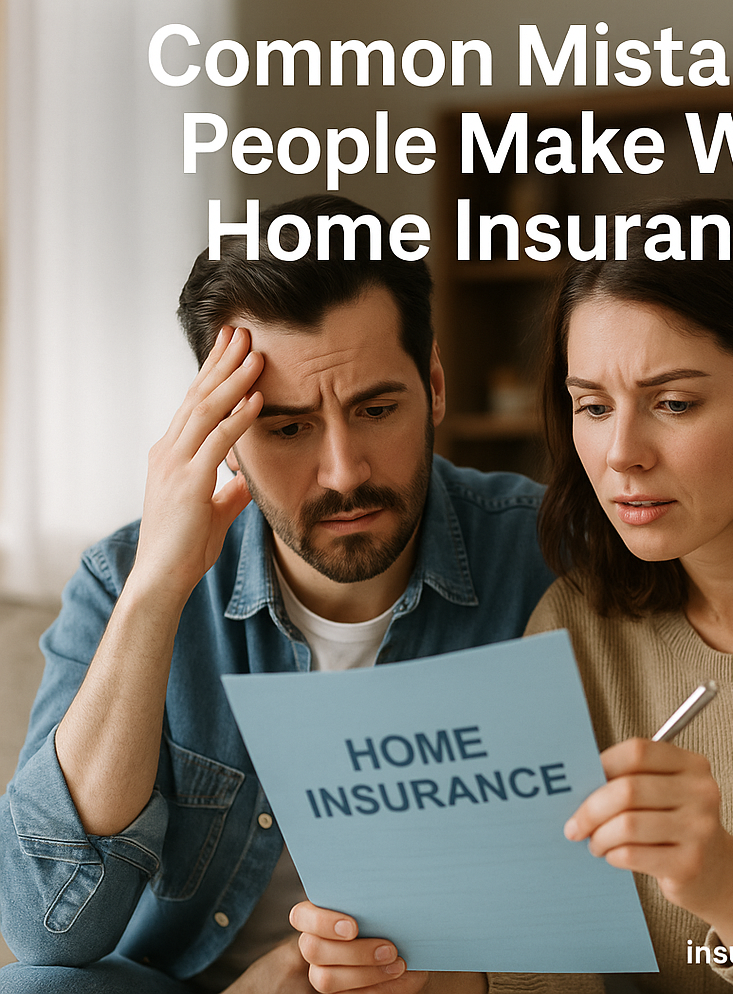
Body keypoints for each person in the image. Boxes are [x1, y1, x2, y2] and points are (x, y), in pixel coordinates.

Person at [295, 196, 733, 994]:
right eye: (593, 407)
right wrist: (430, 980)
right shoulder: (576, 622)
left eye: (674, 403)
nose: (621, 455)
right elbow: (552, 975)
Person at [0, 194, 552, 994]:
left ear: (433, 386)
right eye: (287, 427)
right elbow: (47, 927)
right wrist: (156, 590)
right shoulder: (124, 578)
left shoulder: (544, 556)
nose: (343, 472)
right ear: (221, 434)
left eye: (376, 409)